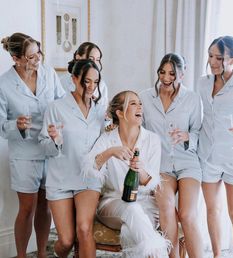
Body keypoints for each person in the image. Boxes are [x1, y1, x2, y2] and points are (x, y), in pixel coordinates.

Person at [0, 32, 65, 258]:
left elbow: (61, 101)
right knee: (27, 208)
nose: (37, 59)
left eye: (39, 53)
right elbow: (0, 124)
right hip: (24, 153)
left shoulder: (48, 73)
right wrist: (15, 125)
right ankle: (21, 255)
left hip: (49, 148)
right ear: (16, 59)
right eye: (31, 57)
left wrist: (59, 126)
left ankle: (41, 254)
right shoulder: (4, 84)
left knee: (45, 205)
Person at [83, 90, 171, 258]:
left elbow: (152, 183)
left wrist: (141, 170)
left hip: (146, 203)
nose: (140, 107)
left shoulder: (152, 140)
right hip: (112, 203)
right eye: (133, 103)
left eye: (140, 103)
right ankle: (160, 253)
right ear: (120, 113)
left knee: (129, 232)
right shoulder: (107, 139)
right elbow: (90, 168)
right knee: (131, 209)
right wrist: (109, 153)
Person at [39, 59, 106, 258]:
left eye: (95, 82)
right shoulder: (55, 108)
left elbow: (106, 142)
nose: (91, 87)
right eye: (87, 81)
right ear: (74, 79)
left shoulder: (100, 111)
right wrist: (56, 140)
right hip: (60, 179)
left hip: (88, 178)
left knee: (84, 230)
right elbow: (45, 148)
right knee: (66, 241)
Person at [139, 53, 204, 258]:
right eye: (162, 72)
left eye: (172, 74)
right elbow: (139, 130)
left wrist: (186, 136)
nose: (166, 78)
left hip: (187, 162)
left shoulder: (192, 98)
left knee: (186, 214)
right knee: (166, 207)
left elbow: (198, 133)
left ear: (182, 74)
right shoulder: (145, 98)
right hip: (161, 164)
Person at [198, 36, 233, 258]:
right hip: (207, 154)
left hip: (232, 155)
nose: (212, 61)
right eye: (210, 56)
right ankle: (216, 255)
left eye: (219, 58)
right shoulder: (204, 83)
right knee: (212, 210)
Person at [60, 42, 108, 106]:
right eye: (91, 59)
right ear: (78, 57)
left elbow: (103, 110)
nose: (95, 63)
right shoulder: (63, 81)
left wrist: (95, 104)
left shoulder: (101, 85)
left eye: (98, 60)